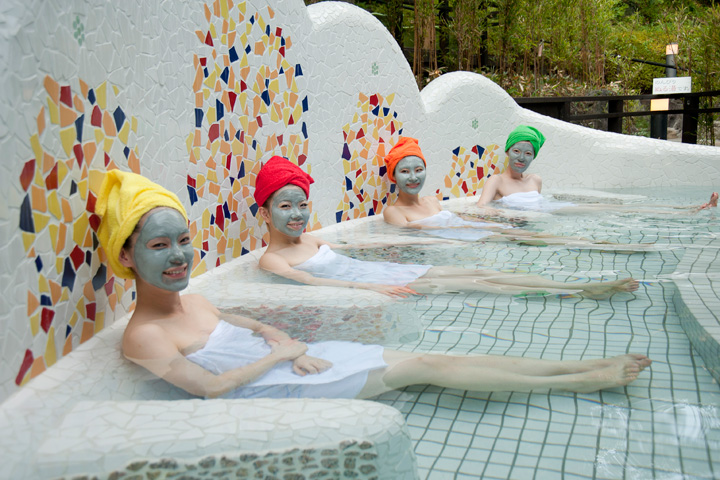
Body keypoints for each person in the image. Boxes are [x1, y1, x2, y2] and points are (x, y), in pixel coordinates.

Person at [96, 169, 651, 400]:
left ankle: (579, 363)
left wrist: (279, 340)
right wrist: (283, 355)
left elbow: (251, 324)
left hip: (306, 358)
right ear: (126, 254)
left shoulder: (193, 300)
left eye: (181, 241)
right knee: (432, 370)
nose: (178, 256)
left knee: (440, 355)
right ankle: (583, 380)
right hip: (292, 385)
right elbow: (212, 389)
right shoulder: (141, 335)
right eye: (158, 245)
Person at [256, 156, 639, 298]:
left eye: (303, 205)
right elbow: (317, 283)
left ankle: (577, 286)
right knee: (479, 285)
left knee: (485, 271)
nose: (297, 215)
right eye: (286, 206)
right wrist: (371, 287)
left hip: (390, 271)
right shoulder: (271, 260)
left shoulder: (310, 239)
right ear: (266, 211)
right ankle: (577, 290)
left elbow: (353, 253)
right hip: (384, 281)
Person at [381, 136, 652, 249]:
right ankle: (604, 247)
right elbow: (415, 238)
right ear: (393, 176)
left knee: (545, 237)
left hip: (469, 231)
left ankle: (607, 246)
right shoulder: (392, 211)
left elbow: (459, 219)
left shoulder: (432, 201)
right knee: (535, 239)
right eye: (404, 171)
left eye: (418, 169)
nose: (413, 177)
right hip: (459, 239)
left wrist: (489, 222)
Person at [476, 125, 718, 214]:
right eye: (517, 151)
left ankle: (689, 209)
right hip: (526, 221)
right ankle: (690, 210)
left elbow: (542, 205)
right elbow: (482, 209)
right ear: (508, 150)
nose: (521, 158)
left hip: (552, 210)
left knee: (615, 208)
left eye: (528, 153)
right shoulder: (496, 181)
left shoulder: (535, 180)